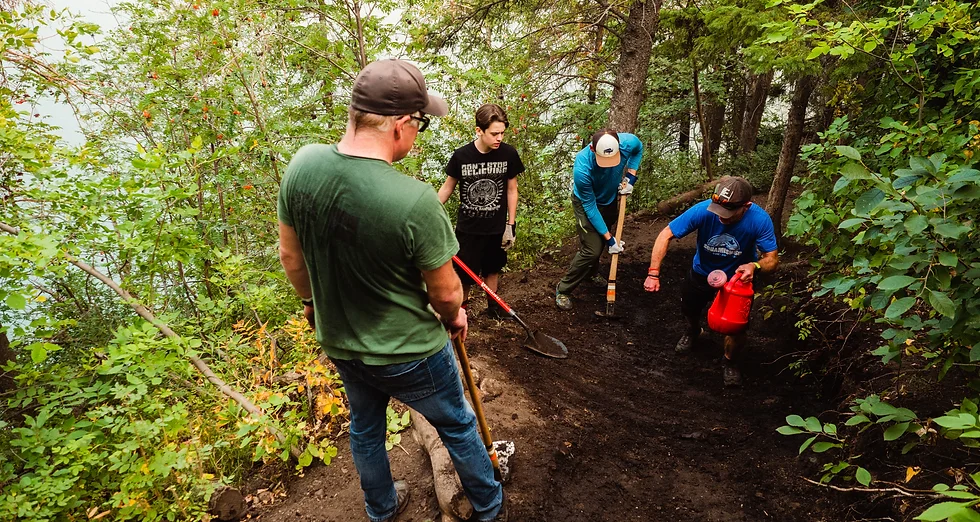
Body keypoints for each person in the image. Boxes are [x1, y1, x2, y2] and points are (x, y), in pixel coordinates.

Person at [277, 59, 506, 522]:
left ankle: (380, 508)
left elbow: (290, 257)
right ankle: (490, 507)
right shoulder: (414, 201)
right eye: (420, 123)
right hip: (411, 352)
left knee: (364, 427)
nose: (419, 133)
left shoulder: (302, 166)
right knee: (458, 424)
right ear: (401, 125)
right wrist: (454, 317)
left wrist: (310, 307)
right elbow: (447, 296)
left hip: (340, 340)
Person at [643, 177, 779, 387]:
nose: (721, 217)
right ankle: (694, 331)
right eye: (719, 210)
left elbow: (772, 258)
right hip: (701, 272)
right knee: (689, 310)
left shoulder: (759, 220)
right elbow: (665, 234)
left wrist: (755, 266)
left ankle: (729, 361)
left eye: (729, 212)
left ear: (746, 206)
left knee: (736, 327)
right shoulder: (704, 210)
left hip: (737, 281)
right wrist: (653, 273)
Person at [437, 104, 524, 319]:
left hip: (496, 227)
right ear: (479, 131)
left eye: (502, 133)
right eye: (494, 133)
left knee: (492, 268)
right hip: (468, 228)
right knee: (464, 273)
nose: (499, 138)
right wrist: (430, 209)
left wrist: (510, 225)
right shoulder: (462, 156)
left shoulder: (508, 154)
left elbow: (512, 190)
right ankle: (461, 310)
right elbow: (448, 187)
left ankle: (493, 308)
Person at [555, 129, 643, 310]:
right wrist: (610, 239)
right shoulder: (582, 168)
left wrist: (630, 178)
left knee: (601, 241)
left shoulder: (628, 142)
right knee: (592, 249)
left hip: (609, 200)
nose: (609, 165)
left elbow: (638, 149)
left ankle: (591, 274)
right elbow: (590, 208)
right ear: (593, 149)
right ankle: (563, 290)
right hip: (587, 204)